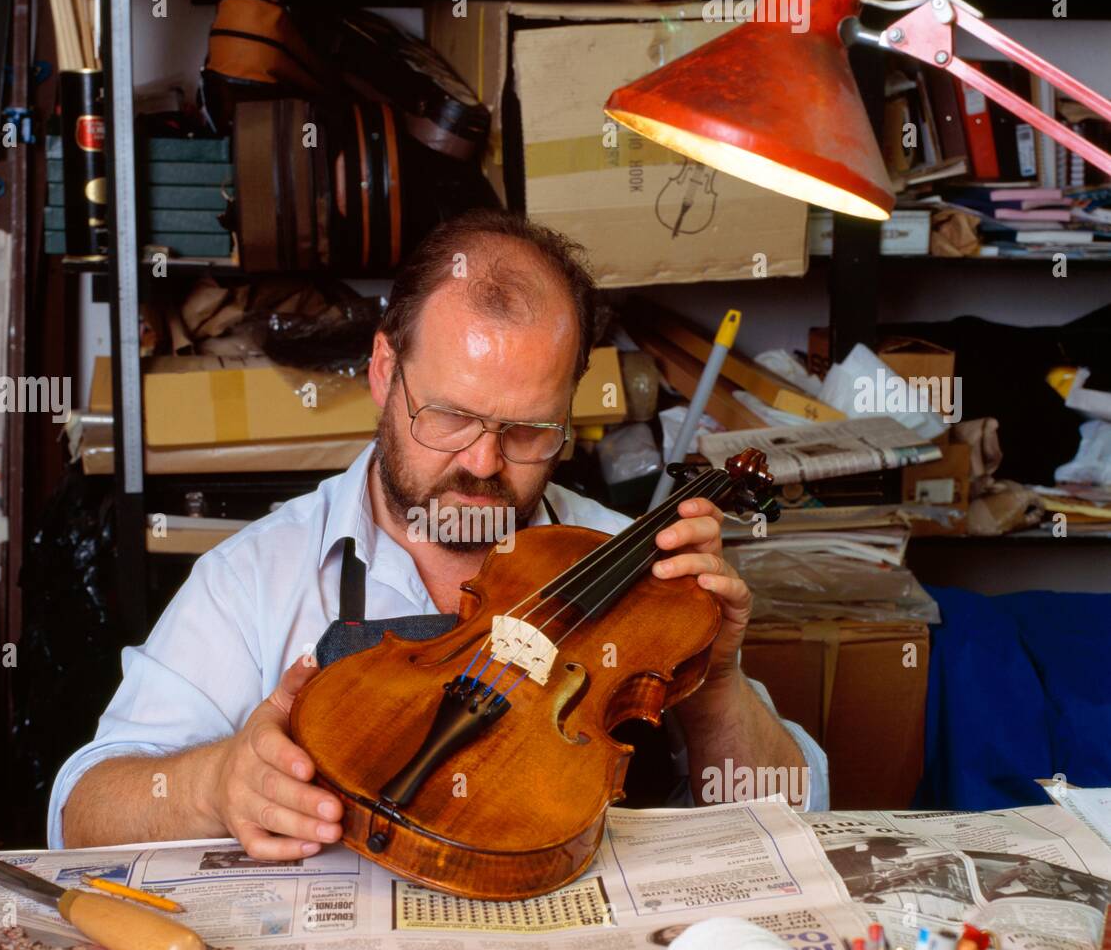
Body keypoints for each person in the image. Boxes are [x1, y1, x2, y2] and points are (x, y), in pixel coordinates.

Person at [49, 210, 827, 856]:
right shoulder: (254, 576)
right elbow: (77, 815)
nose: (482, 463)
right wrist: (213, 785)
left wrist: (715, 682)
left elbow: (796, 821)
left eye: (526, 431)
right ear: (385, 370)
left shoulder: (628, 563)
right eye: (450, 416)